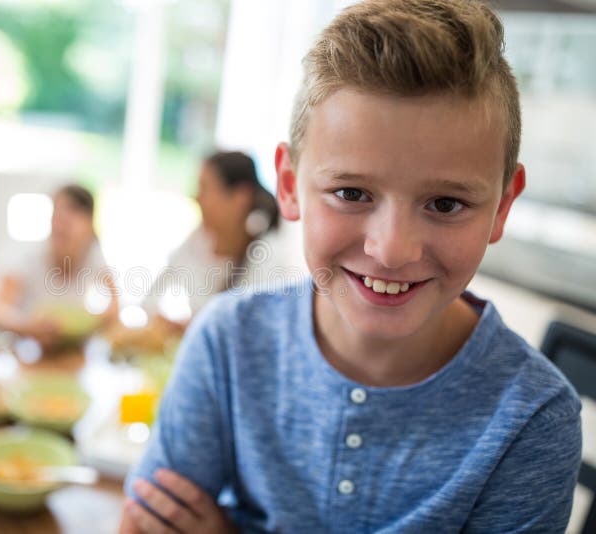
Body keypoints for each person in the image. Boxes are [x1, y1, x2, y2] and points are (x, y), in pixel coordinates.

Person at [121, 1, 582, 532]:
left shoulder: (532, 422)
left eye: (446, 204)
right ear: (291, 187)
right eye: (352, 192)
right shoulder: (227, 343)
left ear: (502, 206)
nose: (391, 250)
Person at [144, 151, 288, 326]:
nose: (196, 197)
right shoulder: (198, 241)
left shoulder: (268, 258)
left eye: (204, 188)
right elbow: (150, 301)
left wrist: (184, 328)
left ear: (240, 197)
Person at [0, 184, 118, 350]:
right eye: (56, 217)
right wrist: (27, 326)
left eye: (69, 219)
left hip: (71, 353)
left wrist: (88, 323)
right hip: (26, 349)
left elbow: (115, 306)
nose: (59, 225)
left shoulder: (94, 255)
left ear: (89, 226)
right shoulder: (27, 257)